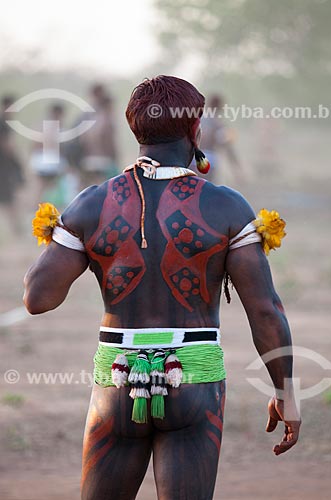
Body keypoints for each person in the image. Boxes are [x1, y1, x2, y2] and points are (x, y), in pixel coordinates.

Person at [23, 75, 300, 500]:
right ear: (195, 129)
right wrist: (285, 392)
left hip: (117, 381)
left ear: (135, 129)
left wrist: (68, 229)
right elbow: (265, 311)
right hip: (193, 380)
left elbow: (38, 298)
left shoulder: (92, 202)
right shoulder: (226, 205)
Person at [199, 94, 243, 185]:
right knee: (206, 191)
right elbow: (228, 148)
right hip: (209, 162)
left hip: (193, 160)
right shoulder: (219, 125)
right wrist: (236, 168)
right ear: (221, 107)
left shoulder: (198, 120)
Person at [0, 95, 25, 234]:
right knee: (8, 200)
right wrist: (17, 162)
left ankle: (15, 228)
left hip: (5, 166)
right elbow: (7, 146)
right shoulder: (3, 123)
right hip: (4, 167)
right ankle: (16, 229)